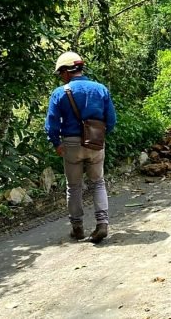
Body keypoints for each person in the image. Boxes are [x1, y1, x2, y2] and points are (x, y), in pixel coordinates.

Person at [45, 52, 116, 243]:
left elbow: (51, 124)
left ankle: (77, 228)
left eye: (61, 73)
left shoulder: (60, 93)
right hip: (95, 142)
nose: (61, 77)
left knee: (74, 187)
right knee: (98, 183)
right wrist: (99, 136)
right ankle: (102, 224)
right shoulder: (100, 89)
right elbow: (111, 120)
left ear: (66, 72)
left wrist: (56, 143)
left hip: (71, 144)